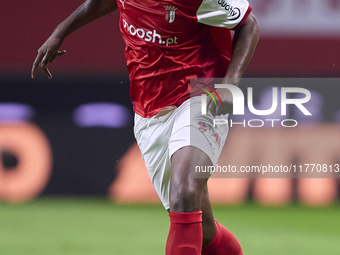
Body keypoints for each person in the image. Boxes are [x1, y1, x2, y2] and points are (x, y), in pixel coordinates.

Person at [32, 0, 260, 254]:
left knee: (184, 195)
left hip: (201, 93)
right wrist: (59, 32)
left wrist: (230, 82)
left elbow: (248, 24)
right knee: (203, 229)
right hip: (149, 110)